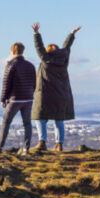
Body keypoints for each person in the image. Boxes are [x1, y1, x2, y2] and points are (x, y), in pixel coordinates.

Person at [31, 23, 81, 151]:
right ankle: (59, 144)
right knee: (59, 119)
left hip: (45, 93)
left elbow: (39, 48)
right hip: (60, 94)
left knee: (40, 117)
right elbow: (67, 47)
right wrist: (72, 34)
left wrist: (36, 34)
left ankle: (42, 142)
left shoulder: (46, 59)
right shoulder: (64, 59)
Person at [0, 42, 36, 155]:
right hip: (28, 98)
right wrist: (31, 93)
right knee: (27, 123)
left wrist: (3, 99)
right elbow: (34, 83)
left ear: (12, 51)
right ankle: (26, 149)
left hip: (15, 99)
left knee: (6, 122)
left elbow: (6, 83)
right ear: (23, 51)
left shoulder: (11, 64)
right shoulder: (30, 65)